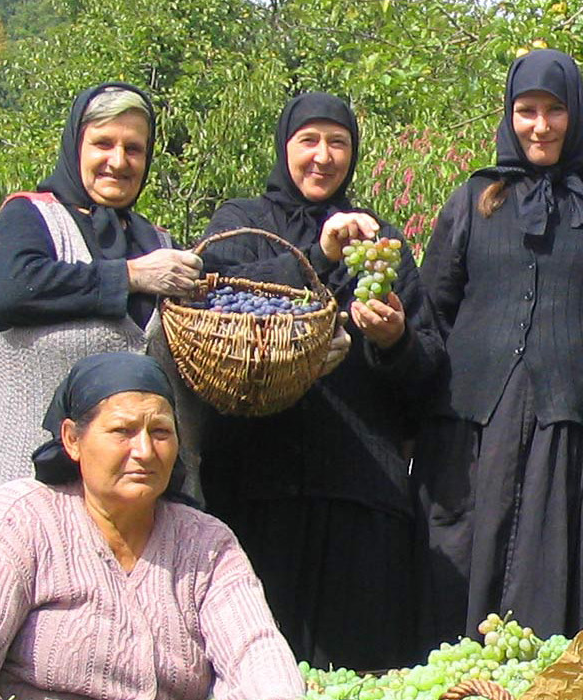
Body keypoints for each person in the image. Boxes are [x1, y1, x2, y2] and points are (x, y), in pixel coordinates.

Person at [413, 50, 583, 647]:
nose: (539, 126)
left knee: (561, 588)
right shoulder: (473, 199)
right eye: (526, 111)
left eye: (554, 110)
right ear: (509, 115)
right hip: (474, 428)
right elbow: (431, 312)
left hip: (576, 431)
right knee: (467, 579)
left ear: (576, 115)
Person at [194, 91, 437, 670]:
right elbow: (219, 297)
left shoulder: (382, 241)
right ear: (285, 147)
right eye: (309, 140)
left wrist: (393, 342)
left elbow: (428, 375)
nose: (323, 156)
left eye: (338, 143)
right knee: (254, 667)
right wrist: (321, 257)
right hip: (255, 491)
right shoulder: (242, 222)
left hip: (360, 493)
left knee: (360, 669)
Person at [0, 353, 303, 700]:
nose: (145, 451)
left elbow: (256, 651)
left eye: (160, 432)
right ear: (72, 439)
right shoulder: (23, 518)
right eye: (122, 431)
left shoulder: (206, 543)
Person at [0, 83, 201, 558]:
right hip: (7, 484)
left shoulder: (155, 240)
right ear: (75, 145)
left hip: (113, 508)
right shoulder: (31, 217)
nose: (118, 161)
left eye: (134, 148)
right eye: (103, 144)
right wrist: (128, 276)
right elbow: (7, 290)